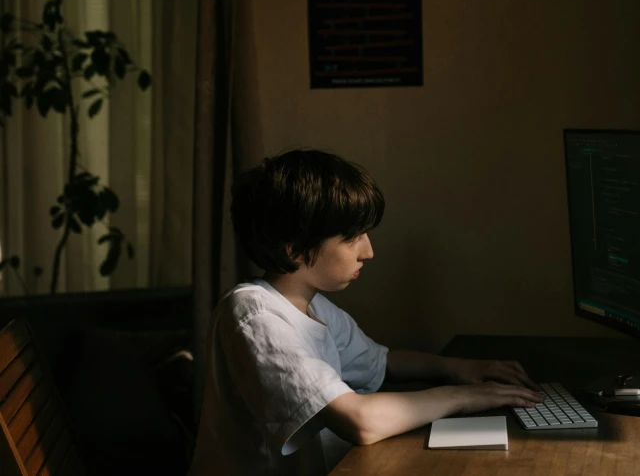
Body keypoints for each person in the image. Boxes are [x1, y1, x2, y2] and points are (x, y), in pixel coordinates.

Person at [188, 149, 545, 476]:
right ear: (295, 248)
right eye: (351, 237)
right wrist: (465, 398)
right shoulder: (254, 316)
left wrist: (459, 368)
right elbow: (360, 422)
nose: (368, 252)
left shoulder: (312, 305)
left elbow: (381, 362)